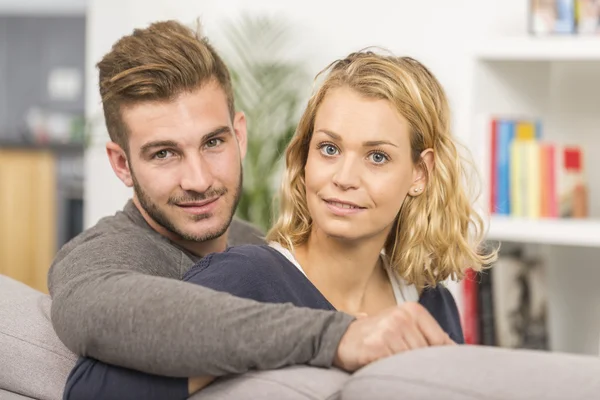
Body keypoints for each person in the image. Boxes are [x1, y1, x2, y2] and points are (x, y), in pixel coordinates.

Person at [60, 29, 496, 400]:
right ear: (304, 156)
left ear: (420, 173)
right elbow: (91, 388)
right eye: (329, 148)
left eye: (377, 156)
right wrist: (337, 336)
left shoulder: (428, 300)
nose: (345, 177)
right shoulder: (248, 274)